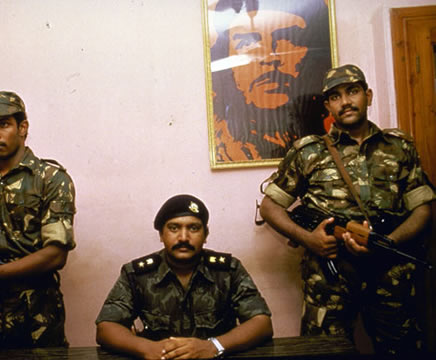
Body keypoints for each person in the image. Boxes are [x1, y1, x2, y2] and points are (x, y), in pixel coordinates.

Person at [259, 64, 436, 354]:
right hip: (330, 278)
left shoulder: (399, 147)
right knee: (324, 351)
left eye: (352, 91)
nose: (345, 102)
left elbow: (422, 210)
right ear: (328, 105)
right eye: (336, 96)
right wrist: (309, 239)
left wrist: (389, 243)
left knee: (403, 350)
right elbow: (269, 207)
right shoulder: (308, 151)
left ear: (368, 95)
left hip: (390, 273)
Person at [0, 91, 76, 360]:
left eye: (3, 124)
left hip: (34, 317)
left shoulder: (51, 178)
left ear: (23, 127)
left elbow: (56, 255)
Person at [96, 194, 273, 359]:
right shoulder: (137, 274)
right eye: (174, 228)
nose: (183, 237)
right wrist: (147, 348)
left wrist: (212, 347)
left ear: (205, 235)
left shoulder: (227, 271)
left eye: (193, 228)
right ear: (161, 235)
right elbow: (106, 327)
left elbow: (261, 323)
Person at [209, 0, 331, 161]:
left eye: (288, 40)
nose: (268, 57)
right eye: (246, 43)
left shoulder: (335, 148)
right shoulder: (222, 150)